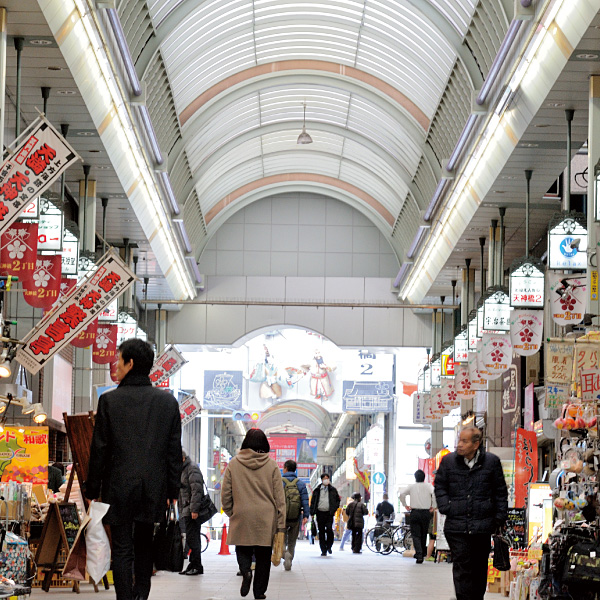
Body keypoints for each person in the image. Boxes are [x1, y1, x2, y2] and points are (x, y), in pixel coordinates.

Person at [86, 339, 182, 600]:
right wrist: (173, 489)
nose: (115, 366)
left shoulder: (110, 402)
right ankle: (141, 595)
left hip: (118, 485)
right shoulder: (168, 404)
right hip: (153, 486)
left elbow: (100, 450)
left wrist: (92, 488)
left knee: (122, 547)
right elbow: (173, 452)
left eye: (118, 360)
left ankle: (125, 598)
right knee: (144, 544)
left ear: (130, 363)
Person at [434, 427, 508, 600]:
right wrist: (446, 506)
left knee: (479, 567)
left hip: (482, 526)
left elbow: (500, 492)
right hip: (456, 527)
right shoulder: (448, 462)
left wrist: (499, 517)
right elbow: (440, 486)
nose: (459, 445)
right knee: (462, 567)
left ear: (476, 444)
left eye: (464, 441)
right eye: (459, 440)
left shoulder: (491, 462)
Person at [222, 429, 285, 600]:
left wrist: (231, 512)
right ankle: (259, 592)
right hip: (266, 516)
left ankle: (246, 572)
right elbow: (280, 498)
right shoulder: (272, 466)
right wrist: (280, 523)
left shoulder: (234, 464)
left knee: (242, 548)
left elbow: (226, 493)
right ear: (265, 445)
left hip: (242, 513)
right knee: (264, 555)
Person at [399, 469, 435, 564]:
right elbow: (435, 493)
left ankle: (419, 554)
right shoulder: (428, 486)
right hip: (425, 513)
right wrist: (433, 505)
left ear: (415, 477)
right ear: (424, 477)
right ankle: (421, 553)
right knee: (423, 534)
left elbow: (402, 494)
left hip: (414, 512)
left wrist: (405, 504)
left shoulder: (411, 486)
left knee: (416, 534)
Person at [179, 450, 205, 576]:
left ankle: (196, 565)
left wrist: (194, 509)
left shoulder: (191, 468)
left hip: (191, 510)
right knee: (192, 537)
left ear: (183, 458)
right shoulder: (184, 469)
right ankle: (193, 564)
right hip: (186, 509)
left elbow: (197, 490)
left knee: (192, 538)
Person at [281, 459, 309, 571]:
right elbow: (305, 501)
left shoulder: (279, 482)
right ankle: (290, 559)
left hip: (281, 517)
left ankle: (284, 555)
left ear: (285, 468)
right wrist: (306, 515)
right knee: (292, 541)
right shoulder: (300, 484)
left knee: (279, 539)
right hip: (296, 517)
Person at [309, 472, 340, 556]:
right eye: (325, 479)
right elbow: (313, 502)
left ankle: (329, 546)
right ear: (322, 480)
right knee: (321, 531)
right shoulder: (317, 490)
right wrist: (312, 512)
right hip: (320, 513)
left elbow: (338, 500)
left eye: (327, 478)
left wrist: (334, 509)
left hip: (329, 513)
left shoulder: (333, 490)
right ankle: (323, 550)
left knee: (329, 530)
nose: (326, 480)